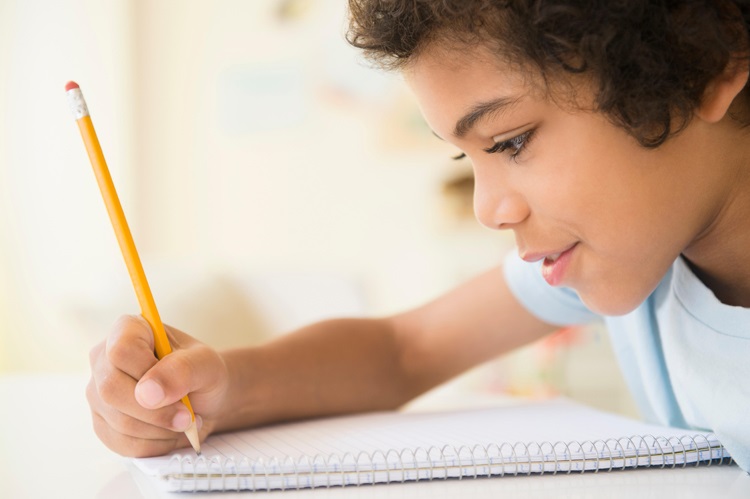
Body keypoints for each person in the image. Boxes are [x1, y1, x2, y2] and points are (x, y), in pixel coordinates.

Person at [86, 0, 750, 471]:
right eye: (468, 158)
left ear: (704, 62)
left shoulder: (627, 237)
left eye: (511, 140)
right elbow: (404, 349)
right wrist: (224, 386)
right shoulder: (635, 248)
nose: (489, 209)